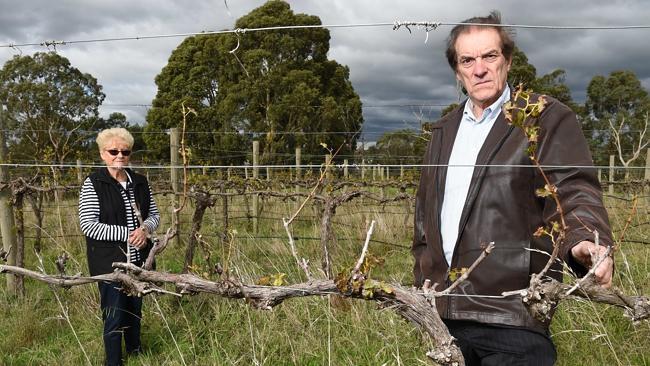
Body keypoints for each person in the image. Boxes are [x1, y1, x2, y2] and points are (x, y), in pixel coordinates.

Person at [412, 11, 614, 365]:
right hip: (444, 318)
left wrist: (585, 239)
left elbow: (571, 188)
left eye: (489, 56)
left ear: (507, 60)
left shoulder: (544, 118)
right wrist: (423, 282)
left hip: (513, 317)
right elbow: (423, 216)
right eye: (467, 60)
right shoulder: (443, 132)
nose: (479, 69)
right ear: (457, 71)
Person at [79, 127, 160, 366]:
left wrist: (145, 230)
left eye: (125, 151)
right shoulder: (94, 183)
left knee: (134, 311)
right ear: (103, 154)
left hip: (139, 261)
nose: (120, 156)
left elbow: (154, 215)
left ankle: (136, 354)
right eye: (113, 151)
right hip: (109, 263)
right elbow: (89, 225)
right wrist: (129, 233)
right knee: (114, 315)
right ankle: (113, 361)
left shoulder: (140, 182)